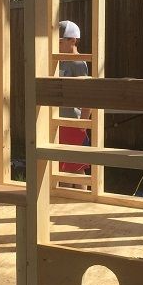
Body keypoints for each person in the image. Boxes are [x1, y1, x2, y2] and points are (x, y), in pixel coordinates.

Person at [58, 20, 90, 185]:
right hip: (60, 121)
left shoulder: (78, 63)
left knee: (75, 167)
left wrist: (83, 122)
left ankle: (80, 197)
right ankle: (62, 197)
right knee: (62, 166)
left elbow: (87, 95)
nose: (57, 45)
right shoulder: (60, 60)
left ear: (73, 40)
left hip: (73, 122)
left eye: (60, 42)